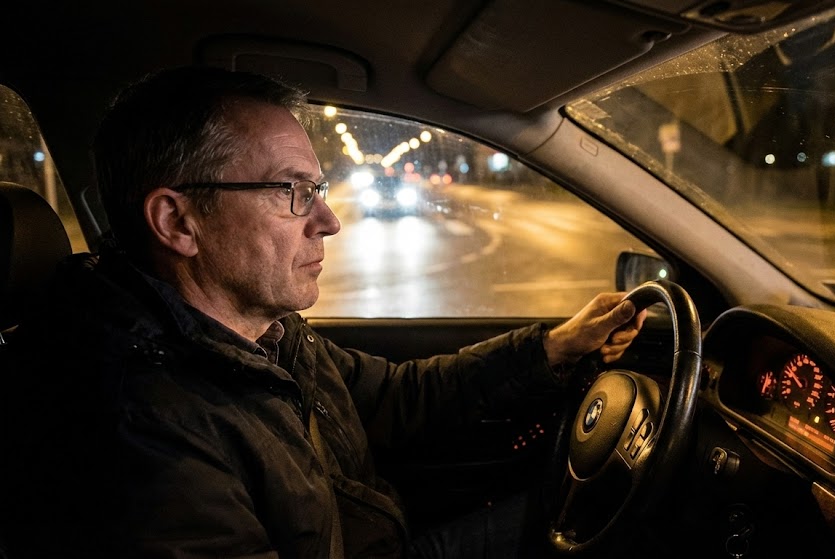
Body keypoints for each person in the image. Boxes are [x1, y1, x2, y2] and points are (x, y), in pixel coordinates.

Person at [0, 66, 645, 558]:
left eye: (318, 190)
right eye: (293, 193)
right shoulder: (141, 432)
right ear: (177, 220)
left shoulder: (260, 333)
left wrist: (556, 345)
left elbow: (398, 395)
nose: (328, 221)